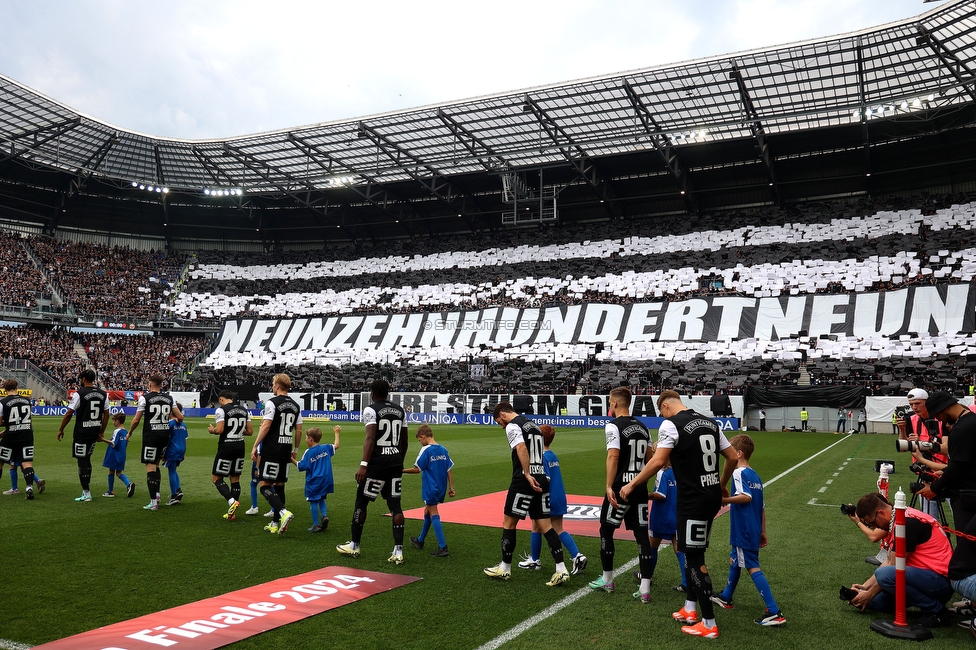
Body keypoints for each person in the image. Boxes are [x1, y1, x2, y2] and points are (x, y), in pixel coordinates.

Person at [620, 390, 737, 639]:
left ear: (665, 406)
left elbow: (657, 461)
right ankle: (690, 608)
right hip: (709, 497)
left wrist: (632, 484)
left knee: (694, 558)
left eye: (661, 411)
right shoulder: (711, 423)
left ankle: (708, 623)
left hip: (692, 500)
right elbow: (732, 457)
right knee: (691, 552)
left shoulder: (670, 424)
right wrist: (721, 483)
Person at [483, 402, 570, 587]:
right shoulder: (533, 425)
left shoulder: (513, 425)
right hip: (542, 478)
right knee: (546, 526)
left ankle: (505, 568)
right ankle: (561, 569)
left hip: (524, 479)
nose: (501, 426)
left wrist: (527, 473)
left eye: (500, 422)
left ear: (503, 414)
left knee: (509, 523)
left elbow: (521, 448)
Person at [847, 492, 954, 627]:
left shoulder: (908, 523)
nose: (875, 527)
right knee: (875, 602)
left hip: (941, 582)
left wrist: (869, 593)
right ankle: (929, 604)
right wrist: (864, 588)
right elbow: (888, 561)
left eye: (872, 523)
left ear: (881, 513)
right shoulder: (899, 519)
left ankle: (937, 611)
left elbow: (892, 565)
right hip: (923, 578)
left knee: (883, 577)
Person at [710, 435, 785, 626]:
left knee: (751, 566)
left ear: (739, 453)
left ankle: (774, 611)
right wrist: (763, 531)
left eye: (729, 450)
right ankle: (726, 597)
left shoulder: (739, 473)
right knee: (735, 559)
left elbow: (746, 497)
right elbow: (761, 506)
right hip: (752, 527)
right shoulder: (755, 475)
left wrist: (723, 500)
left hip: (743, 528)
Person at [589, 387, 654, 601]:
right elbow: (650, 457)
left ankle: (608, 580)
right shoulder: (644, 427)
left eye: (609, 402)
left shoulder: (613, 426)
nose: (609, 405)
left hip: (620, 489)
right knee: (642, 537)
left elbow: (613, 457)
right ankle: (645, 589)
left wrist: (609, 486)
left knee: (606, 531)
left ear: (615, 403)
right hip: (639, 488)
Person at [337, 379, 408, 562]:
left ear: (372, 393)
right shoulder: (400, 411)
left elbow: (370, 438)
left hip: (377, 465)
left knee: (361, 502)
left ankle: (354, 545)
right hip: (395, 462)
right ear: (388, 393)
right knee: (395, 506)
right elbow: (404, 441)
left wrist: (363, 465)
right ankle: (398, 551)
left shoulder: (370, 410)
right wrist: (400, 460)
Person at [516, 424, 586, 574]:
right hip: (559, 495)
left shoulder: (541, 457)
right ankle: (575, 556)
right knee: (552, 527)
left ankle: (538, 560)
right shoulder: (552, 454)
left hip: (547, 498)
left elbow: (545, 479)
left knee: (540, 527)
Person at [917, 391, 976, 535]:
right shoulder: (970, 422)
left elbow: (958, 466)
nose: (940, 420)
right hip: (969, 491)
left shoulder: (961, 429)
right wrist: (945, 471)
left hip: (967, 496)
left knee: (966, 545)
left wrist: (934, 488)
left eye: (938, 415)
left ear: (944, 408)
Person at [250, 373, 300, 534]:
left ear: (278, 385)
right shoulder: (295, 406)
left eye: (273, 384)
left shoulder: (272, 403)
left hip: (271, 449)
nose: (272, 387)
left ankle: (283, 512)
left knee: (264, 486)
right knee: (279, 487)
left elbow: (265, 426)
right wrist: (295, 450)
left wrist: (255, 446)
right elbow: (298, 430)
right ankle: (274, 523)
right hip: (286, 450)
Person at [126, 374, 182, 511]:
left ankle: (153, 502)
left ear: (150, 384)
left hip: (151, 436)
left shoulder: (145, 398)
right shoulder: (169, 398)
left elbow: (136, 420)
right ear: (161, 385)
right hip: (164, 436)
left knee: (150, 467)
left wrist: (130, 432)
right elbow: (180, 417)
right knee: (156, 464)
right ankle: (156, 496)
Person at [56, 368, 110, 502]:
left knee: (82, 461)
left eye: (81, 379)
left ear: (84, 379)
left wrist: (61, 429)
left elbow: (69, 413)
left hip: (82, 432)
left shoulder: (79, 393)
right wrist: (101, 431)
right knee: (88, 458)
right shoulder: (103, 394)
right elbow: (107, 414)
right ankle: (86, 489)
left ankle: (86, 492)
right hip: (95, 430)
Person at [405, 424, 455, 556]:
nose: (420, 442)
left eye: (419, 440)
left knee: (433, 512)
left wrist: (402, 470)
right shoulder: (443, 450)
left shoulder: (426, 450)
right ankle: (420, 540)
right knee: (427, 510)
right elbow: (449, 469)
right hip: (441, 487)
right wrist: (451, 487)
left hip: (430, 486)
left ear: (423, 436)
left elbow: (417, 469)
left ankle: (443, 547)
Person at [641, 454, 687, 594]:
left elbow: (661, 494)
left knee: (651, 546)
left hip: (662, 516)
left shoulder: (662, 472)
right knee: (679, 548)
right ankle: (686, 582)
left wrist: (646, 495)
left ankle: (647, 577)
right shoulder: (679, 471)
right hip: (677, 515)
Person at [898, 388, 947, 518]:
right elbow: (903, 447)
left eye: (918, 403)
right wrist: (902, 430)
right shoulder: (912, 420)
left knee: (960, 514)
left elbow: (948, 448)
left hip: (946, 472)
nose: (914, 407)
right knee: (929, 518)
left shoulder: (941, 418)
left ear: (927, 402)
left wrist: (921, 443)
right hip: (925, 474)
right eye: (911, 404)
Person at [207, 390, 253, 521]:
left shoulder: (221, 410)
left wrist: (212, 430)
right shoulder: (244, 410)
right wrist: (238, 430)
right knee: (235, 479)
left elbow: (220, 430)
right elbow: (250, 432)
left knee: (217, 478)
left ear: (221, 399)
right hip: (240, 446)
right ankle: (232, 513)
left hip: (226, 446)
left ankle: (231, 501)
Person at [0, 378, 40, 500]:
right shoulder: (27, 401)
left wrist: (7, 427)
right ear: (17, 387)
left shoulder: (3, 402)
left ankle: (16, 488)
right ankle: (29, 487)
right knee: (27, 462)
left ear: (4, 389)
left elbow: (0, 422)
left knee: (0, 462)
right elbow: (29, 420)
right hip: (27, 434)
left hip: (11, 436)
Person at [296, 425, 340, 532]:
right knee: (321, 498)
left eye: (306, 437)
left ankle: (316, 525)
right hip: (326, 479)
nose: (305, 439)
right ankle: (324, 515)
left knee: (313, 501)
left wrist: (291, 459)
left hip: (314, 481)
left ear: (310, 439)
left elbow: (301, 466)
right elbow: (336, 446)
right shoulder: (326, 447)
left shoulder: (308, 452)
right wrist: (337, 433)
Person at [102, 412, 134, 497]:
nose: (113, 423)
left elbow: (113, 443)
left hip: (114, 454)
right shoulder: (126, 432)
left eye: (114, 421)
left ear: (118, 421)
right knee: (119, 472)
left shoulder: (117, 431)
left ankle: (111, 491)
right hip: (122, 454)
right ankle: (128, 484)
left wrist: (102, 439)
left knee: (111, 471)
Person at [163, 403, 188, 506]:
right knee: (173, 469)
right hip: (181, 449)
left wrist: (163, 453)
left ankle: (174, 495)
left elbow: (166, 440)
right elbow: (185, 438)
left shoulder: (170, 424)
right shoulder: (183, 425)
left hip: (173, 450)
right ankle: (178, 490)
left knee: (171, 471)